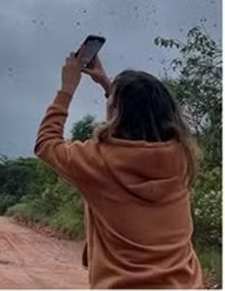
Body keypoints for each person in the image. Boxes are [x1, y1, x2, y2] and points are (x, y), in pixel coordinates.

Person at [34, 50, 204, 289]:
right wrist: (108, 83)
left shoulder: (98, 161)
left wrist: (67, 88)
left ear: (115, 112)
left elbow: (46, 143)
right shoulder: (182, 156)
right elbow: (142, 114)